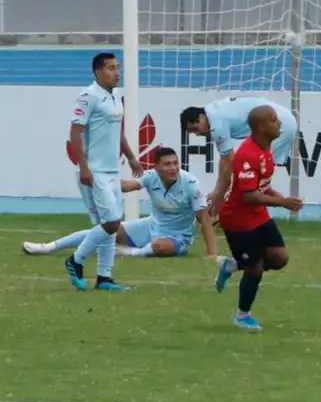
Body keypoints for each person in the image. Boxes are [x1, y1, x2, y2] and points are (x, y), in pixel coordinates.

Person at [23, 148, 217, 258]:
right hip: (150, 226)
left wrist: (212, 255)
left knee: (159, 247)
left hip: (178, 237)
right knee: (105, 229)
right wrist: (100, 178)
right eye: (167, 164)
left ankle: (129, 252)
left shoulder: (191, 183)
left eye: (175, 163)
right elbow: (126, 186)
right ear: (156, 166)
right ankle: (48, 247)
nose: (173, 168)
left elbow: (205, 220)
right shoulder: (151, 177)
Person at [213, 105, 304, 331]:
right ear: (261, 127)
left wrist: (278, 196)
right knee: (256, 267)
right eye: (274, 120)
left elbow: (262, 185)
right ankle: (242, 316)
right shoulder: (247, 155)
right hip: (238, 221)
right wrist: (282, 203)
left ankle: (232, 265)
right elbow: (249, 196)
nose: (279, 124)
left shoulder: (266, 150)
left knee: (280, 257)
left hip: (258, 216)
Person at [64, 52, 143, 291]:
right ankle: (75, 260)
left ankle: (104, 278)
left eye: (117, 67)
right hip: (95, 171)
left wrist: (131, 157)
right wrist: (84, 166)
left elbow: (118, 131)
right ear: (98, 72)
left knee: (107, 227)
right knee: (111, 223)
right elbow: (75, 132)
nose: (116, 72)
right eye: (110, 68)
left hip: (111, 171)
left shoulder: (116, 96)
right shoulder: (88, 96)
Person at [180, 97, 299, 215]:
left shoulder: (217, 124)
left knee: (252, 176)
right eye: (193, 133)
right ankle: (282, 203)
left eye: (196, 129)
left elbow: (229, 162)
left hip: (280, 125)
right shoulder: (214, 111)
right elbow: (225, 161)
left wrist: (218, 197)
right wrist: (217, 192)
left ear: (201, 117)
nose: (198, 133)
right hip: (283, 120)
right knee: (256, 176)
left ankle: (252, 213)